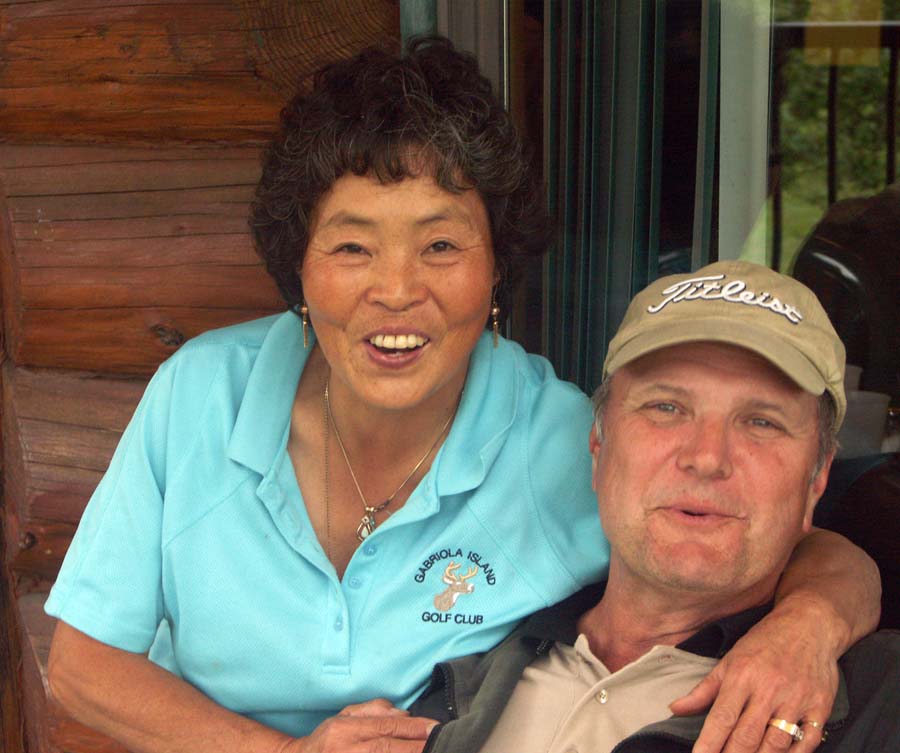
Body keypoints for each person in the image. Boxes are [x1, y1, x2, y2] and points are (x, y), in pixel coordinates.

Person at [44, 39, 879, 753]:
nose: (396, 291)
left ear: (495, 269)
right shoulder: (202, 393)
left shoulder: (561, 440)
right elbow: (81, 666)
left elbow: (803, 543)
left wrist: (806, 627)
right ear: (299, 266)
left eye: (441, 245)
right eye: (352, 246)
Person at [411, 260, 899, 753]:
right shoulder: (462, 651)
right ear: (598, 445)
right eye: (666, 407)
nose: (707, 457)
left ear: (817, 479)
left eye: (762, 422)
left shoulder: (879, 699)